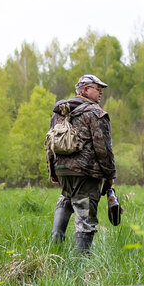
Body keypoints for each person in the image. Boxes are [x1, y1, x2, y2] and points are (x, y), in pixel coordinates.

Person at [46, 74, 116, 253]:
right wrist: (110, 176)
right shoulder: (95, 113)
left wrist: (53, 171)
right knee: (85, 224)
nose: (101, 92)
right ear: (85, 90)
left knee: (66, 200)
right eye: (97, 88)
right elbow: (104, 150)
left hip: (63, 172)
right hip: (86, 174)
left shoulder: (60, 112)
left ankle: (55, 253)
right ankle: (79, 269)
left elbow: (50, 145)